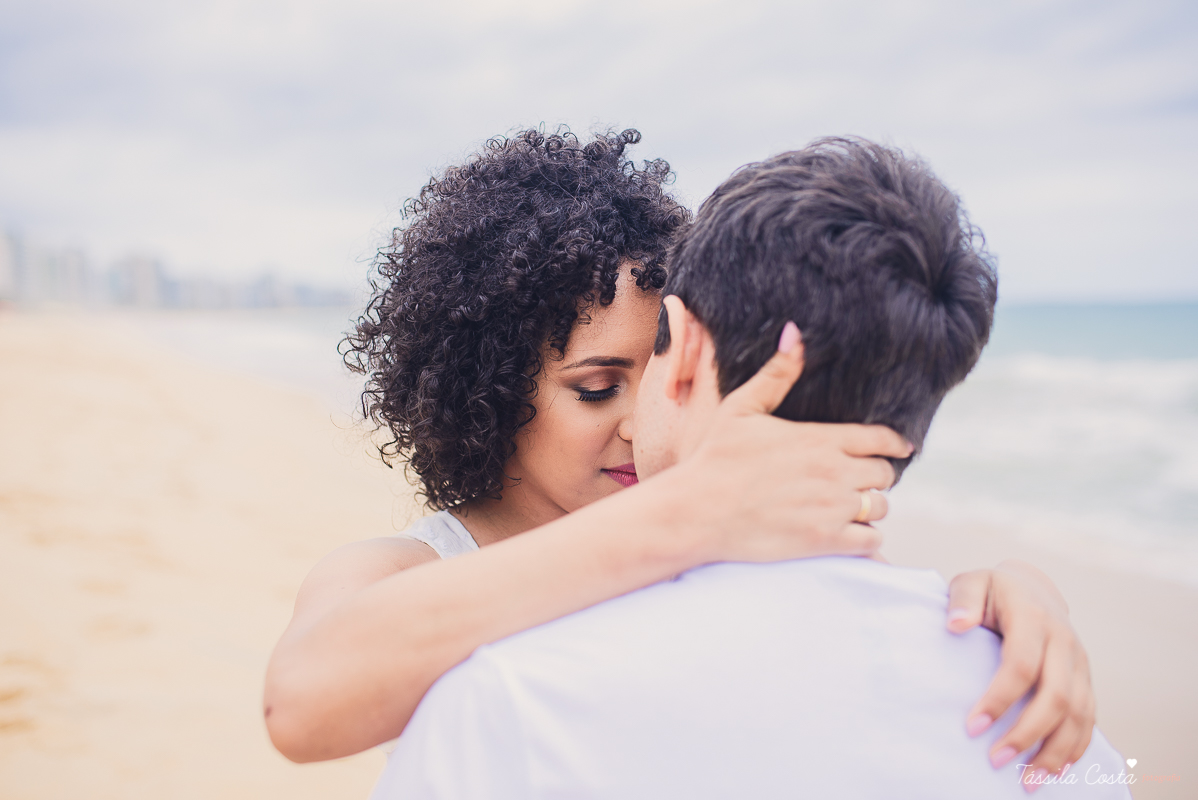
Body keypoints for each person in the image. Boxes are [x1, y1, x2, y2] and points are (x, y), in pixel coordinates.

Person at [264, 129, 1094, 773]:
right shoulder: (405, 569)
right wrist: (680, 516)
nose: (640, 418)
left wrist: (1012, 593)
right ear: (486, 390)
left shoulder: (712, 538)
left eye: (657, 363)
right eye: (595, 388)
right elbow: (300, 707)